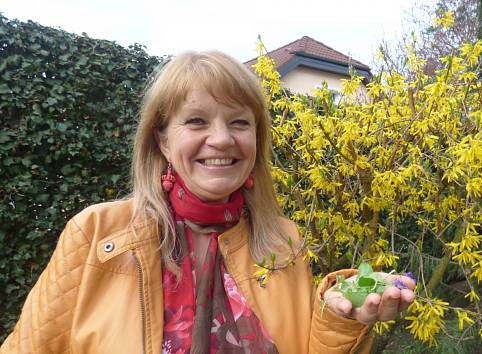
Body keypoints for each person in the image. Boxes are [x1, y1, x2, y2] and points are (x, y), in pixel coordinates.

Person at [0, 50, 415, 354]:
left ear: (256, 141)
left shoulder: (282, 241)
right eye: (196, 121)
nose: (221, 139)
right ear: (161, 140)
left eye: (239, 122)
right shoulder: (96, 235)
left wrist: (340, 319)